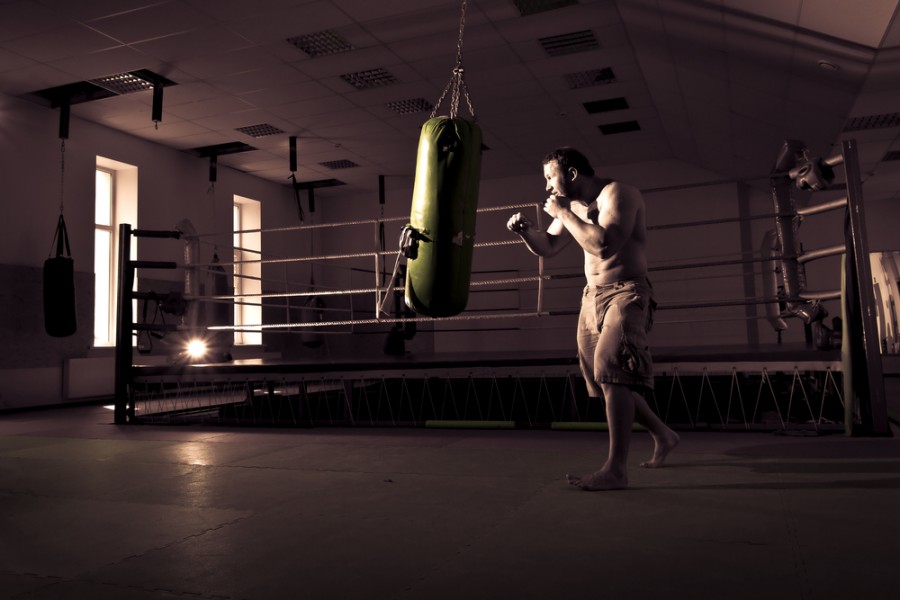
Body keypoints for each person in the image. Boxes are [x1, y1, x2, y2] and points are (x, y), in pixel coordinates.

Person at [507, 147, 679, 491]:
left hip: (627, 292)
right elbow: (550, 247)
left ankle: (616, 470)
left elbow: (603, 246)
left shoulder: (619, 194)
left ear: (571, 174)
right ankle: (664, 434)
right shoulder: (570, 206)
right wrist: (525, 232)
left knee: (612, 372)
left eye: (549, 178)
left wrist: (563, 212)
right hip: (592, 297)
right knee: (606, 379)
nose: (546, 187)